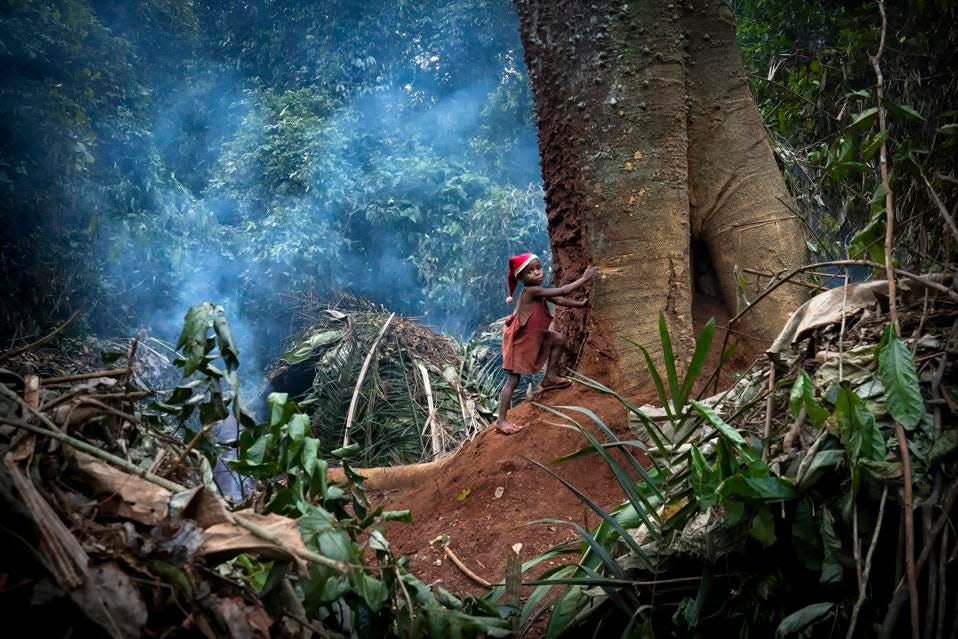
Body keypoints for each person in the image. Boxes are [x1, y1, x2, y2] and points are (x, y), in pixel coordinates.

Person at [496, 252, 595, 434]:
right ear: (521, 278)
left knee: (558, 339)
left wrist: (580, 304)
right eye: (530, 271)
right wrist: (584, 279)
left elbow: (558, 299)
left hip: (534, 337)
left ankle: (549, 377)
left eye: (538, 268)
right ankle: (501, 420)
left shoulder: (540, 290)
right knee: (513, 380)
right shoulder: (532, 291)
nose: (536, 273)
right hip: (519, 342)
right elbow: (561, 291)